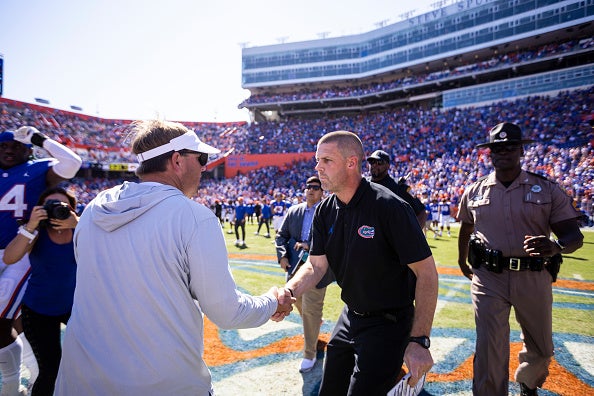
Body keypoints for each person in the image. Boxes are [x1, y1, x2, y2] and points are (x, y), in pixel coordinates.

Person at [54, 120, 293, 395]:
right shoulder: (194, 216)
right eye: (200, 158)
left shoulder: (95, 209)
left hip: (81, 380)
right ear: (177, 160)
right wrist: (272, 302)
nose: (204, 167)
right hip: (163, 382)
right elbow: (228, 312)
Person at [285, 131, 438, 395]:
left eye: (326, 160)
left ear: (351, 163)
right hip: (350, 315)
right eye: (317, 160)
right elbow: (316, 265)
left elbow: (427, 274)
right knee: (329, 390)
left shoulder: (390, 207)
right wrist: (290, 291)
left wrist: (420, 340)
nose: (317, 167)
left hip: (389, 323)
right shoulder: (324, 210)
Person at [456, 122, 584, 396]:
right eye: (497, 148)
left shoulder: (546, 189)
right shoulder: (474, 190)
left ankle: (528, 382)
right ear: (489, 153)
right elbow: (466, 228)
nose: (503, 152)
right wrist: (461, 259)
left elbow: (574, 236)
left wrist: (556, 246)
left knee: (541, 347)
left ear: (521, 150)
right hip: (488, 277)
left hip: (534, 275)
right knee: (490, 345)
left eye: (510, 146)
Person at [0, 127, 81, 396]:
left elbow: (72, 163)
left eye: (15, 146)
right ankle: (35, 376)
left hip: (21, 249)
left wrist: (38, 138)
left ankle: (17, 384)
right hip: (19, 248)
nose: (9, 149)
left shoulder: (37, 170)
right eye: (3, 146)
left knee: (2, 322)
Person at [275, 176, 334, 373]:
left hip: (316, 268)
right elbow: (281, 236)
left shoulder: (329, 212)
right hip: (293, 267)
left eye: (316, 187)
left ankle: (310, 353)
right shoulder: (294, 211)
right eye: (309, 187)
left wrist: (311, 246)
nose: (311, 190)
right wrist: (282, 256)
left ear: (322, 192)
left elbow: (334, 239)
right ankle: (314, 325)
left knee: (310, 310)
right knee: (297, 303)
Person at [367, 149, 428, 226]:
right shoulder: (363, 184)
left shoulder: (399, 187)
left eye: (379, 162)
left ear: (388, 166)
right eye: (371, 162)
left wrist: (413, 235)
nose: (374, 165)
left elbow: (421, 212)